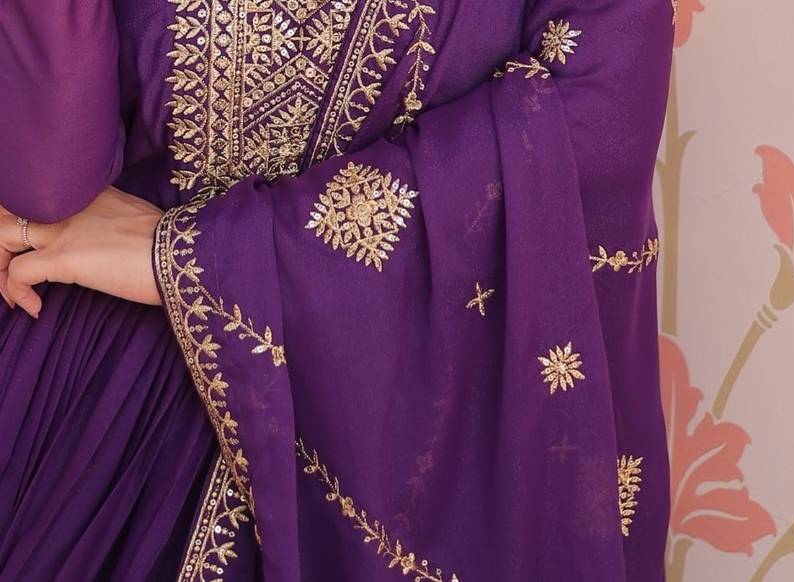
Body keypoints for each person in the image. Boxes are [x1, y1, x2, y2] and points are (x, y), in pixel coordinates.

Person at [0, 0, 675, 580]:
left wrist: (206, 256)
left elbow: (597, 123)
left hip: (406, 419)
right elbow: (51, 176)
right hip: (101, 405)